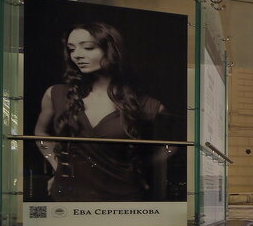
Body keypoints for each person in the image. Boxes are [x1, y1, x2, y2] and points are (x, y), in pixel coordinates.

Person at [33, 22, 173, 202]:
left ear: (112, 50)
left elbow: (172, 145)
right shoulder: (56, 94)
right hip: (69, 196)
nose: (77, 55)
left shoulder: (146, 105)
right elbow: (40, 132)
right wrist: (57, 165)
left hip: (123, 197)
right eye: (71, 49)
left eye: (88, 47)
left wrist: (142, 167)